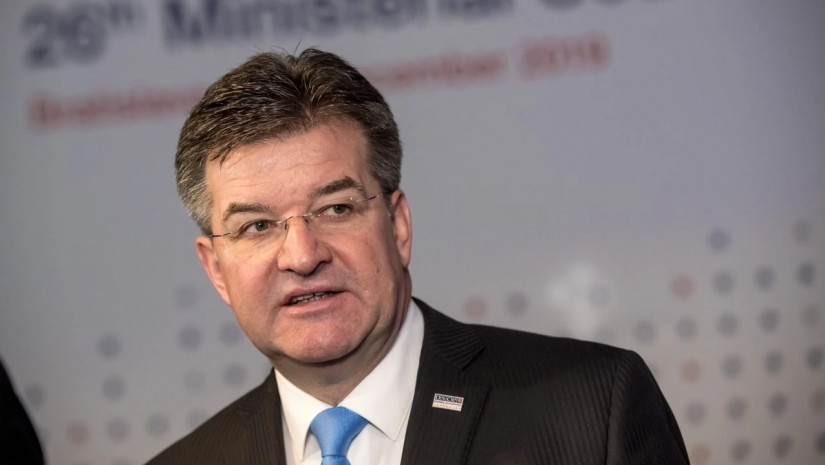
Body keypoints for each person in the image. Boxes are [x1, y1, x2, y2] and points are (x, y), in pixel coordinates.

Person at [147, 48, 689, 465]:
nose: (302, 255)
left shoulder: (592, 408)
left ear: (399, 226)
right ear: (216, 270)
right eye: (257, 226)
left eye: (335, 208)